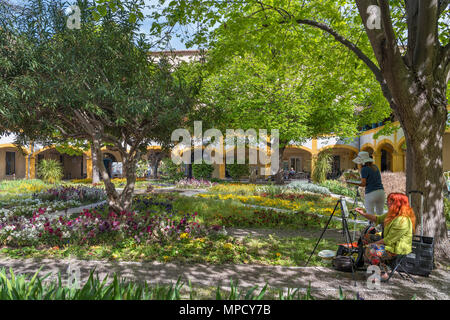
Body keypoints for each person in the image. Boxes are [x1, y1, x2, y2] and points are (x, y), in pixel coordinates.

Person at [355, 193, 416, 281]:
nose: (387, 203)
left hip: (396, 248)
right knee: (366, 237)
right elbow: (377, 219)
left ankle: (381, 273)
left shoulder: (403, 220)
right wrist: (363, 214)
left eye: (390, 202)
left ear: (397, 204)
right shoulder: (392, 214)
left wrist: (372, 245)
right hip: (389, 243)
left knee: (371, 249)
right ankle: (378, 265)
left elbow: (388, 240)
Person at [347, 151, 385, 217]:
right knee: (380, 215)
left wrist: (351, 182)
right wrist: (355, 177)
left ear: (362, 161)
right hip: (381, 192)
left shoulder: (364, 169)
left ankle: (372, 227)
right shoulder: (375, 167)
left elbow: (363, 184)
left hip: (371, 193)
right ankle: (381, 227)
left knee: (370, 214)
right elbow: (369, 179)